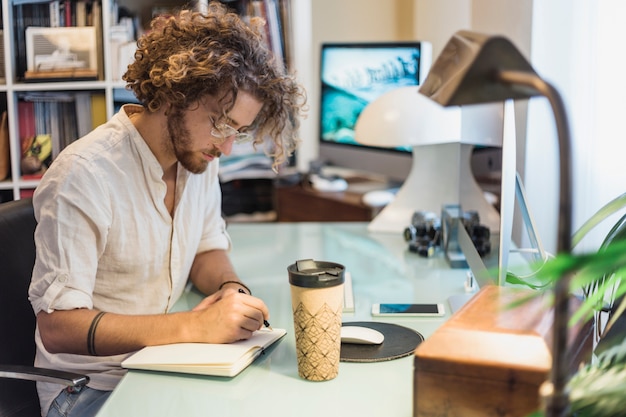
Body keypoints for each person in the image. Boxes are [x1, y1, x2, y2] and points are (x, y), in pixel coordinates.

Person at [28, 3, 306, 417]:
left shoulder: (197, 158)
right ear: (176, 94)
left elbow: (206, 249)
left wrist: (231, 289)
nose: (226, 147)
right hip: (87, 389)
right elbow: (57, 327)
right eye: (219, 122)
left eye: (237, 132)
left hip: (160, 365)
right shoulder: (84, 174)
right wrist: (194, 327)